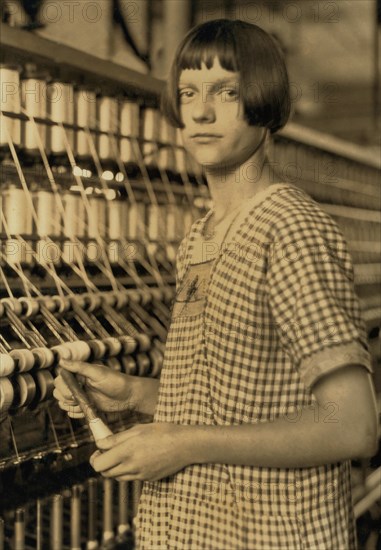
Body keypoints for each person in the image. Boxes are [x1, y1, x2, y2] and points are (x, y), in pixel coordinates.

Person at [54, 19, 378, 549]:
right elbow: (230, 408)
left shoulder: (289, 228)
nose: (201, 112)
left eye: (226, 91)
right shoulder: (202, 236)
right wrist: (132, 393)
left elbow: (351, 426)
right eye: (188, 92)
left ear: (263, 101)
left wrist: (182, 445)